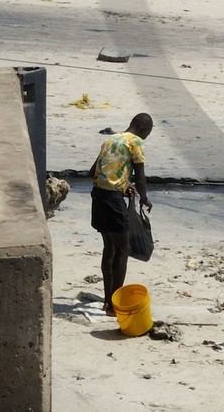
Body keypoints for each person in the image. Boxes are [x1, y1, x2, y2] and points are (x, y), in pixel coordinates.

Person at [91, 112, 154, 310]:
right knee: (123, 249)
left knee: (109, 248)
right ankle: (115, 305)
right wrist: (144, 198)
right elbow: (141, 177)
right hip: (113, 201)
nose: (145, 138)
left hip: (98, 196)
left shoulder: (111, 139)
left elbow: (93, 171)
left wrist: (122, 183)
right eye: (147, 134)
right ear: (143, 129)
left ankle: (107, 300)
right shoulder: (135, 143)